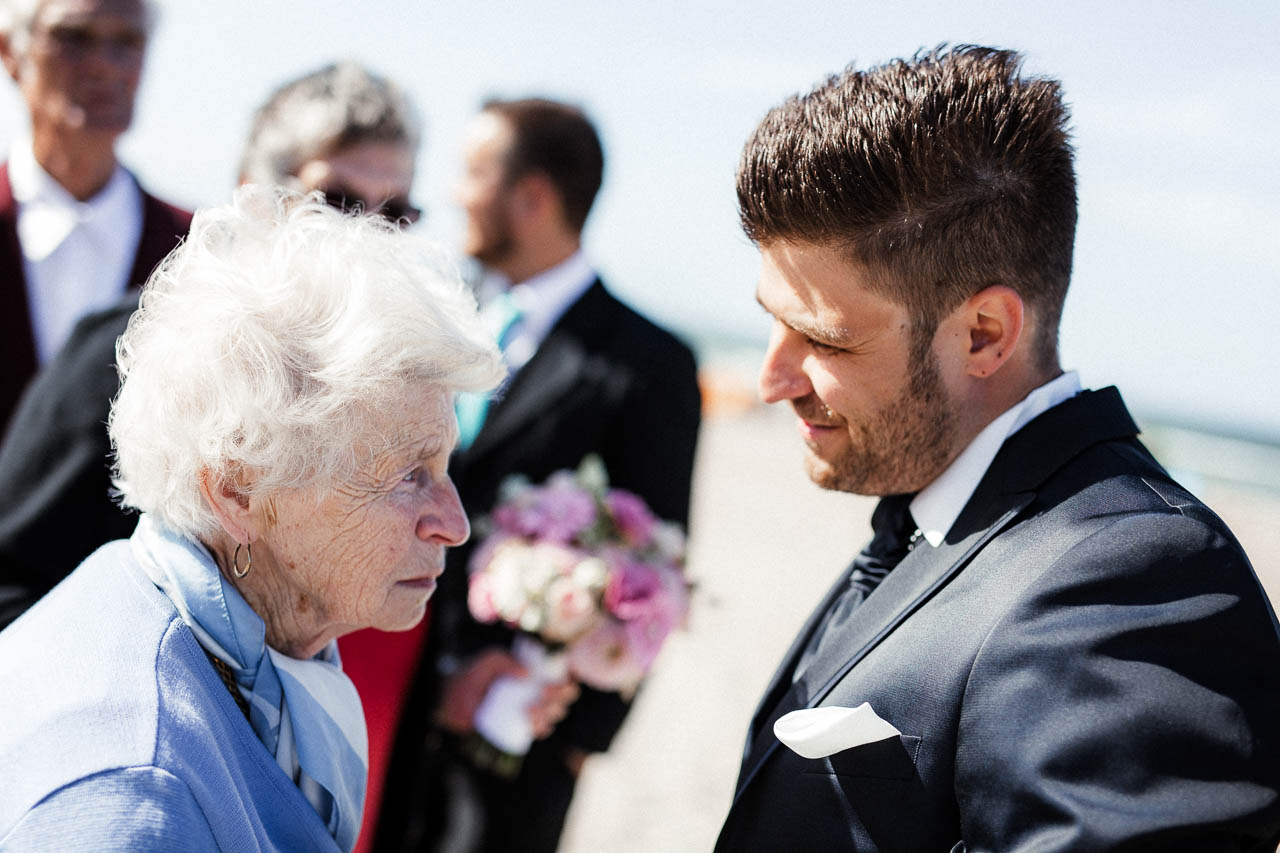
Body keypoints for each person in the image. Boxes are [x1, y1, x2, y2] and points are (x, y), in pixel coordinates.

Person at [715, 45, 1280, 851]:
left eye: (820, 339)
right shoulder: (937, 512)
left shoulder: (1138, 584)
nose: (772, 380)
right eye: (772, 321)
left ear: (983, 334)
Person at [0, 186, 503, 850]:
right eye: (408, 474)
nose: (454, 522)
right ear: (238, 490)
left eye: (444, 467)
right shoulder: (137, 797)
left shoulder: (191, 623)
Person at [375, 98, 702, 853]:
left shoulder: (645, 363)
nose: (456, 193)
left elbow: (658, 559)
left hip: (515, 736)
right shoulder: (442, 314)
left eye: (475, 172)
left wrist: (575, 737)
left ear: (533, 197)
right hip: (390, 689)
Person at [0, 61, 419, 629]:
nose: (367, 233)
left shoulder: (401, 390)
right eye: (338, 202)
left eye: (395, 213)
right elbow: (12, 577)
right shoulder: (135, 345)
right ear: (257, 196)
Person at [0, 0, 189, 435]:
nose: (104, 66)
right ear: (12, 52)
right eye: (74, 38)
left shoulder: (193, 253)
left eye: (127, 41)